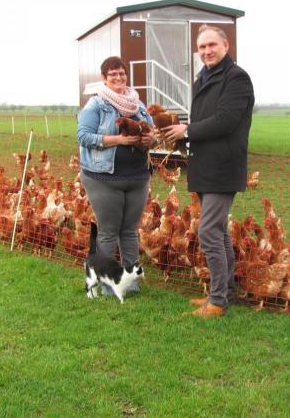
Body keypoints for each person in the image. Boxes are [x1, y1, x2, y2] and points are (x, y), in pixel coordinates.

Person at [162, 25, 254, 318]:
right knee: (219, 234)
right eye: (201, 48)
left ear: (226, 46)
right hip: (205, 164)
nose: (206, 51)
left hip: (224, 166)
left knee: (208, 232)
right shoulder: (203, 77)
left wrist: (187, 130)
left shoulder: (236, 78)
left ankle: (217, 302)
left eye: (211, 45)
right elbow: (203, 118)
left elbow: (226, 120)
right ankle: (224, 292)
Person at [77, 56, 158, 294]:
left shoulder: (139, 105)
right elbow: (84, 137)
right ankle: (106, 283)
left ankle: (129, 282)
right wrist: (119, 140)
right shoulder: (96, 105)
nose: (118, 78)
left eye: (121, 73)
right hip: (104, 178)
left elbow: (153, 134)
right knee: (110, 231)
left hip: (137, 178)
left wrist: (150, 139)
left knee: (130, 231)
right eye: (112, 74)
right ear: (104, 78)